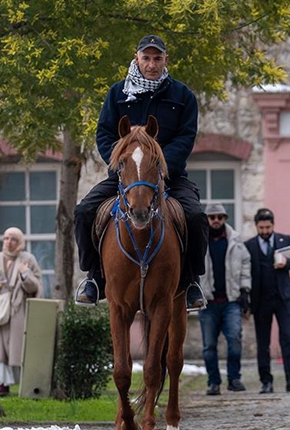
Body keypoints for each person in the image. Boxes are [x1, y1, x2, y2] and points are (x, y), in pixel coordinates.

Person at [74, 34, 207, 311]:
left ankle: (192, 281)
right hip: (125, 177)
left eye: (157, 58)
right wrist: (123, 165)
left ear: (165, 60)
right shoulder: (117, 93)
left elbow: (186, 137)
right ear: (137, 59)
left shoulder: (182, 96)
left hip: (168, 176)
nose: (151, 64)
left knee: (195, 217)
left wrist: (158, 165)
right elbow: (104, 134)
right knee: (84, 211)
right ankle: (93, 278)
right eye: (146, 58)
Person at [244, 208, 290, 393]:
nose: (264, 231)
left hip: (283, 299)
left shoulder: (283, 240)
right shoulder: (249, 246)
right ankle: (266, 382)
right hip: (260, 301)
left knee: (287, 338)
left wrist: (286, 263)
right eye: (261, 228)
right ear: (256, 226)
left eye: (267, 227)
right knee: (263, 343)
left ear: (273, 225)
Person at [199, 203, 252, 396]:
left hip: (231, 301)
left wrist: (245, 291)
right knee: (209, 346)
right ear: (207, 219)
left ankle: (234, 379)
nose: (216, 221)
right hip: (208, 302)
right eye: (212, 217)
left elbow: (246, 265)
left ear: (225, 219)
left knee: (235, 340)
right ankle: (213, 382)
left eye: (219, 217)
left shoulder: (236, 241)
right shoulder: (199, 242)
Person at [0, 227, 43, 397]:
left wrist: (24, 274)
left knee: (19, 347)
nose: (9, 242)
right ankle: (2, 383)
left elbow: (36, 286)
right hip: (1, 310)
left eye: (13, 239)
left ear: (19, 241)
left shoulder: (27, 259)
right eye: (6, 238)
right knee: (0, 348)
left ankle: (25, 383)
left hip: (19, 308)